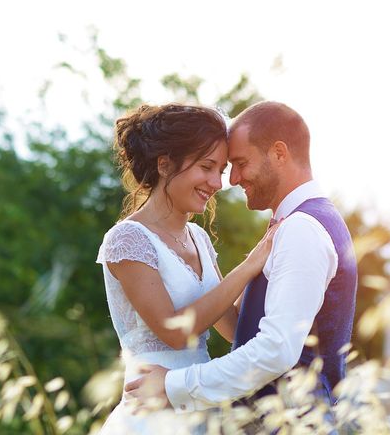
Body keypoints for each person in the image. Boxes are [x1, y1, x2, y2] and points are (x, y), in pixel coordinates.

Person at [125, 101, 358, 432]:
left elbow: (276, 350)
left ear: (279, 153)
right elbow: (245, 329)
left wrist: (174, 385)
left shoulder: (301, 228)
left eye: (239, 163)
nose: (231, 180)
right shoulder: (299, 223)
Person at [95, 103, 278, 434]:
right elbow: (174, 331)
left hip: (198, 407)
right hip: (151, 417)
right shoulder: (127, 240)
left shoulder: (198, 237)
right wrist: (250, 265)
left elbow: (232, 326)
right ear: (164, 164)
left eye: (220, 170)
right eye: (207, 167)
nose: (217, 183)